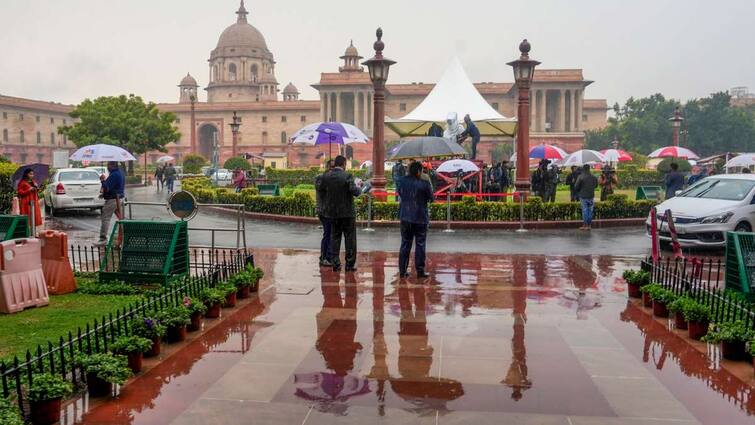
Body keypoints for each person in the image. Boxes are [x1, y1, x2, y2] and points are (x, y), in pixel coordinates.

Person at [319, 155, 361, 272]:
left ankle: (336, 263)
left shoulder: (326, 176)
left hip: (333, 213)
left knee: (335, 238)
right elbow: (355, 192)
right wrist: (359, 187)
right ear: (343, 164)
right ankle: (349, 265)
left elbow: (321, 190)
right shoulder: (347, 176)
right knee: (350, 239)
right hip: (347, 213)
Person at [397, 161, 434, 279]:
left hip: (405, 216)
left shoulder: (401, 182)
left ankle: (402, 271)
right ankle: (420, 271)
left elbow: (401, 195)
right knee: (420, 244)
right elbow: (431, 198)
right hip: (420, 217)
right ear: (419, 171)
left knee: (405, 243)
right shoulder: (424, 183)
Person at [97, 161, 125, 245]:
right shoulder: (120, 173)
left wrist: (102, 180)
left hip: (113, 199)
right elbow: (115, 187)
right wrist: (104, 194)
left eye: (108, 165)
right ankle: (123, 236)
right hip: (118, 198)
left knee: (105, 218)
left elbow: (107, 187)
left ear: (112, 166)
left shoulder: (114, 175)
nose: (107, 167)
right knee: (121, 218)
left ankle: (103, 239)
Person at [314, 160, 335, 267]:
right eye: (331, 167)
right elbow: (320, 188)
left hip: (330, 211)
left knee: (330, 234)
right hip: (323, 210)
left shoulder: (331, 179)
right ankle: (325, 257)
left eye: (334, 167)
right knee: (328, 234)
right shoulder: (321, 177)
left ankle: (327, 256)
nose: (333, 169)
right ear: (327, 167)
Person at [574, 164, 598, 230]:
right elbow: (596, 186)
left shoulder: (580, 176)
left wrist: (580, 190)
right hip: (591, 195)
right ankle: (589, 225)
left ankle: (585, 225)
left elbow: (576, 187)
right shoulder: (594, 177)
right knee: (590, 210)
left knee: (585, 210)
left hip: (583, 196)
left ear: (583, 169)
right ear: (589, 168)